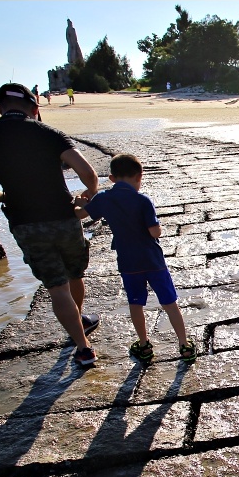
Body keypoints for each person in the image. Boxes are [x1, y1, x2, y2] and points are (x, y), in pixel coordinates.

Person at [0, 82, 101, 366]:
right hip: (63, 218)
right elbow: (88, 172)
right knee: (75, 274)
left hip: (26, 223)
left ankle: (82, 346)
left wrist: (4, 195)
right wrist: (87, 197)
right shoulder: (49, 133)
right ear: (35, 107)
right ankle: (81, 323)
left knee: (56, 286)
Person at [73, 154, 197, 363]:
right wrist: (158, 228)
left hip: (128, 262)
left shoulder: (103, 198)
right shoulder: (143, 200)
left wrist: (79, 203)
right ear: (140, 176)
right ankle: (184, 346)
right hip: (152, 261)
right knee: (169, 302)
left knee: (136, 303)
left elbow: (80, 215)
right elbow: (155, 232)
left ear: (112, 178)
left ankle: (144, 345)